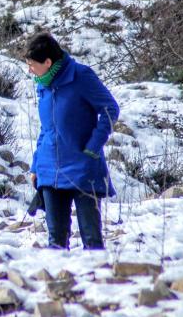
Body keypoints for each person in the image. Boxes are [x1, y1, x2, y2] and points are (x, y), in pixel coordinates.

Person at [26, 32, 119, 250]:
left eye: (32, 64)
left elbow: (110, 109)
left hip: (83, 167)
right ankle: (58, 283)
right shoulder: (43, 83)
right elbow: (47, 128)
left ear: (48, 62)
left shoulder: (81, 76)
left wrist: (94, 146)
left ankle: (98, 280)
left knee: (92, 239)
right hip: (49, 170)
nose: (29, 70)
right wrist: (36, 166)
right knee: (56, 241)